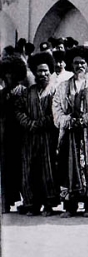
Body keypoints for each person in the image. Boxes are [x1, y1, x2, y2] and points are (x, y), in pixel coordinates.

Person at [52, 46, 88, 218]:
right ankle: (70, 206)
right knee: (67, 168)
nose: (79, 66)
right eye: (76, 63)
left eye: (82, 63)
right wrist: (67, 121)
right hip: (69, 134)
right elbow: (56, 109)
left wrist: (85, 119)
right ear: (71, 65)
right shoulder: (62, 86)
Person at [14, 52, 60, 216]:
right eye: (39, 71)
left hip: (48, 138)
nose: (43, 74)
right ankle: (31, 203)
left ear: (50, 72)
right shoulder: (27, 92)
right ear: (34, 72)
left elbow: (56, 113)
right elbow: (18, 110)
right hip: (29, 137)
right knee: (29, 169)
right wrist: (28, 124)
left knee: (47, 169)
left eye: (46, 71)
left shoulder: (55, 91)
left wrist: (40, 124)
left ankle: (48, 203)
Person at [1, 55, 28, 212]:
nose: (9, 76)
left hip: (21, 134)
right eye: (6, 73)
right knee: (6, 169)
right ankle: (6, 201)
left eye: (12, 73)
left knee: (23, 168)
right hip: (5, 135)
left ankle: (27, 200)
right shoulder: (2, 93)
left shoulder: (24, 92)